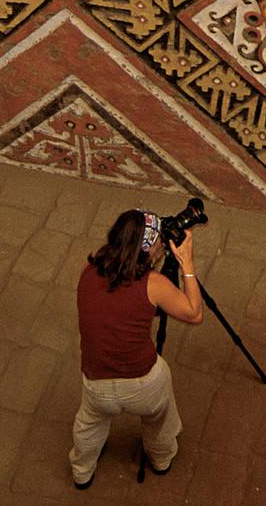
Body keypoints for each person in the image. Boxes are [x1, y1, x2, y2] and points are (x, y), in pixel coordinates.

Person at [70, 208, 203, 489]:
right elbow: (194, 313)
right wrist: (187, 264)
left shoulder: (89, 271)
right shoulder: (153, 284)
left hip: (96, 381)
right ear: (149, 249)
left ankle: (82, 471)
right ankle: (162, 459)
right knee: (160, 419)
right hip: (143, 383)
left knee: (88, 424)